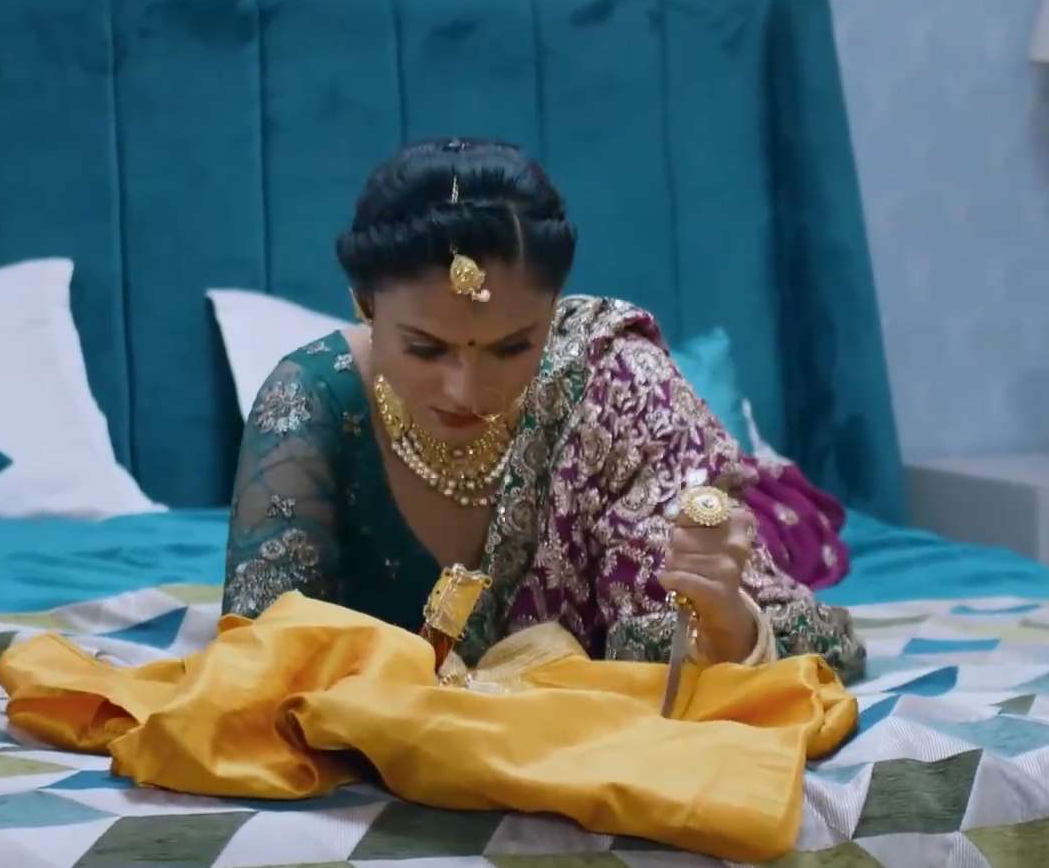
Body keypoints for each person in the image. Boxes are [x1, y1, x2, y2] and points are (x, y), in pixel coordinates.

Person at [221, 138, 864, 681]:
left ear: (553, 313)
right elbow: (258, 665)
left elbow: (812, 647)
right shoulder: (309, 404)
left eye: (511, 348)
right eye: (425, 348)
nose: (467, 390)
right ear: (364, 306)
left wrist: (722, 619)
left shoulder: (616, 391)